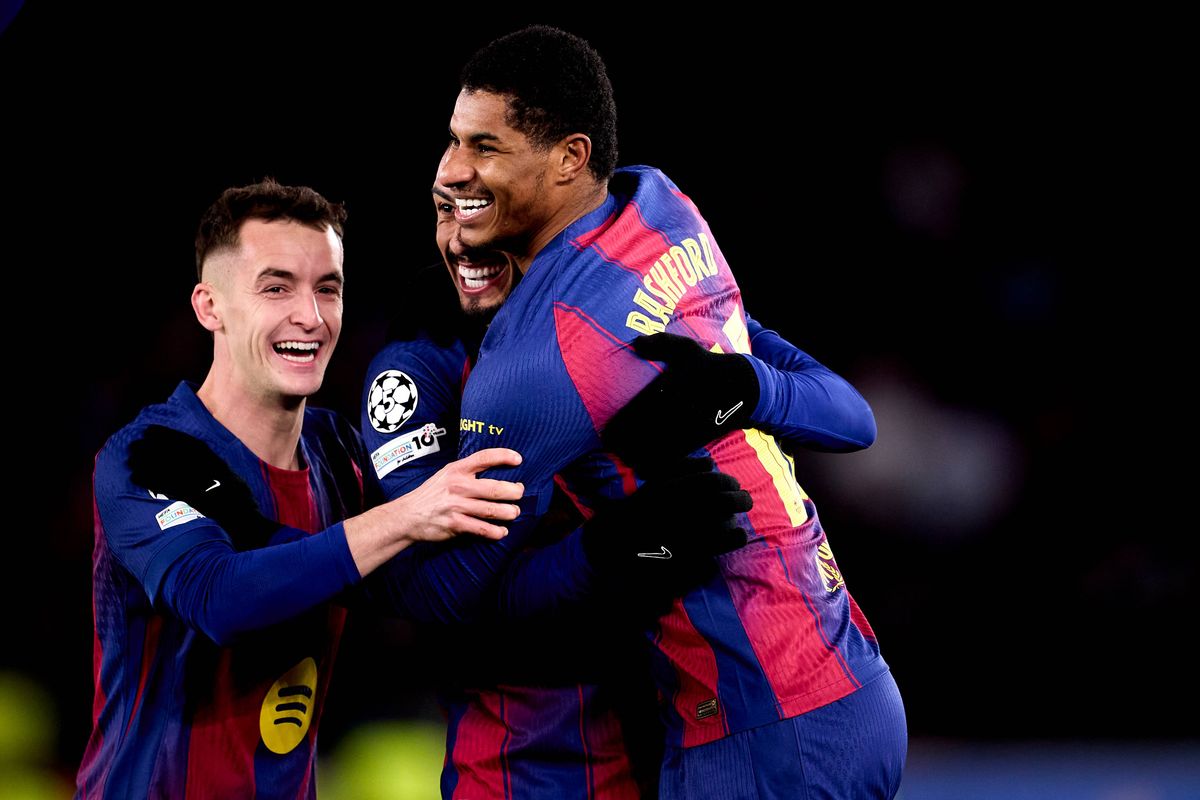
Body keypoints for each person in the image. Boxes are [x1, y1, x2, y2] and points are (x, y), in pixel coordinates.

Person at [430, 26, 906, 798]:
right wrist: (757, 389)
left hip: (761, 733)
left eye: (485, 147)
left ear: (570, 157)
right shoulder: (661, 206)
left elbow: (456, 600)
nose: (452, 170)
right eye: (454, 140)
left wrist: (598, 555)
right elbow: (853, 421)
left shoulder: (528, 369)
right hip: (851, 686)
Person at [355, 190, 881, 797]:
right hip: (524, 764)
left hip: (660, 737)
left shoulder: (615, 309)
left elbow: (852, 419)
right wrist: (604, 553)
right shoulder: (418, 371)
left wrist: (749, 387)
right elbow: (428, 595)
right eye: (452, 214)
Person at [76, 179, 526, 799]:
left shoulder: (338, 454)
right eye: (276, 287)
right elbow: (218, 599)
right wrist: (405, 516)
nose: (310, 317)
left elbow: (427, 581)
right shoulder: (145, 455)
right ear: (209, 307)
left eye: (327, 289)